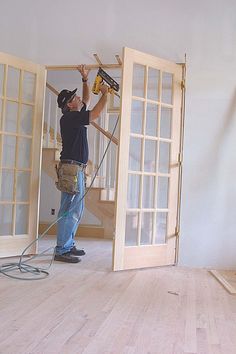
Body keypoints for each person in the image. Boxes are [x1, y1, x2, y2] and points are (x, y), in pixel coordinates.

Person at [54, 65, 108, 263]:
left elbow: (86, 100)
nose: (78, 99)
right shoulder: (69, 118)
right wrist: (105, 94)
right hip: (71, 168)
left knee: (75, 208)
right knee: (70, 209)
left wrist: (85, 80)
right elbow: (94, 114)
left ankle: (67, 244)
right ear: (69, 105)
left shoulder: (73, 116)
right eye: (74, 98)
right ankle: (62, 249)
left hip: (75, 168)